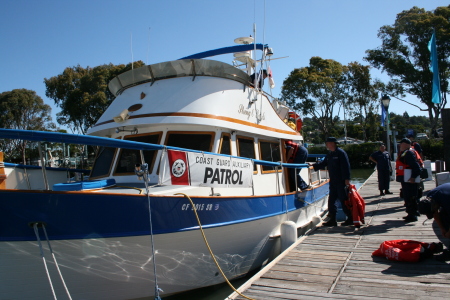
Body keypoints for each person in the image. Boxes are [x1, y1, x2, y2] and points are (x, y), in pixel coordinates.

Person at [312, 137, 351, 226]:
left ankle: (350, 218)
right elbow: (323, 163)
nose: (326, 145)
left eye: (327, 143)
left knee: (343, 199)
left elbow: (346, 166)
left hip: (341, 181)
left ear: (332, 143)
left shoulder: (341, 153)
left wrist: (347, 179)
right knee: (331, 200)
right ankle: (332, 220)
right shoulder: (330, 154)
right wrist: (313, 165)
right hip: (333, 180)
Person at [418, 183, 450, 260]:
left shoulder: (447, 200)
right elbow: (435, 213)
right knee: (437, 223)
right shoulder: (431, 196)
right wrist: (442, 228)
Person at [396, 138, 422, 223]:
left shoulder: (408, 153)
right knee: (407, 196)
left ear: (407, 144)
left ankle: (412, 215)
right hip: (406, 179)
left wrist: (413, 177)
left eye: (401, 143)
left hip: (410, 180)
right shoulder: (405, 153)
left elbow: (416, 167)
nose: (400, 145)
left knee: (410, 196)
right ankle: (411, 213)